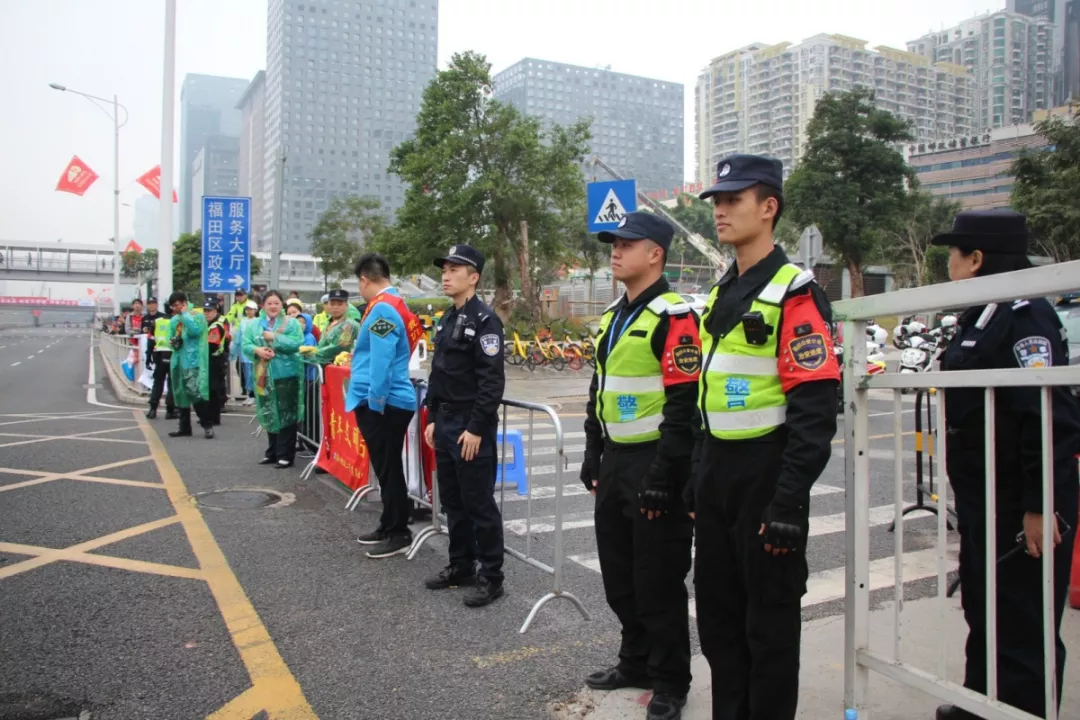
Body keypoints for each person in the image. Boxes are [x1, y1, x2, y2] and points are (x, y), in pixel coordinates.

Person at [687, 154, 840, 720]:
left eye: (734, 200)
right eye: (718, 201)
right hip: (718, 473)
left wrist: (789, 500)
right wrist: (697, 473)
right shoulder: (721, 291)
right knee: (719, 621)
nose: (721, 211)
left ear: (769, 207)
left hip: (766, 473)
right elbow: (706, 392)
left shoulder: (793, 292)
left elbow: (815, 411)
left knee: (768, 626)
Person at [931, 210, 1080, 720]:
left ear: (976, 259)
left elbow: (1047, 417)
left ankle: (1024, 711)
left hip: (1019, 500)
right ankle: (981, 703)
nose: (948, 263)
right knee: (984, 605)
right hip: (984, 498)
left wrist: (1041, 505)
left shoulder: (1025, 317)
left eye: (953, 254)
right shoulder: (985, 314)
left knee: (1023, 618)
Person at [580, 212, 701, 720]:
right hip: (615, 461)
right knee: (620, 576)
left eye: (627, 244)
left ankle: (670, 680)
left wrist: (664, 474)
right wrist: (592, 448)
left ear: (656, 254)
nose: (616, 250)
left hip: (654, 462)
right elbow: (600, 387)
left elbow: (684, 404)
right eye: (614, 243)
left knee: (658, 581)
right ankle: (635, 662)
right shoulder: (614, 316)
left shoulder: (674, 317)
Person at [422, 244, 507, 607]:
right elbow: (438, 372)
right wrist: (431, 417)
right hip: (445, 421)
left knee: (478, 503)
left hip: (470, 424)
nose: (446, 275)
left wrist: (475, 428)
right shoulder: (447, 318)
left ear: (473, 278)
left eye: (454, 270)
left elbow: (492, 381)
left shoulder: (485, 321)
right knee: (453, 500)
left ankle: (492, 576)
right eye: (444, 270)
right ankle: (461, 564)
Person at [347, 253, 424, 559]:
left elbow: (381, 361)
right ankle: (388, 523)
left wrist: (376, 403)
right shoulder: (393, 304)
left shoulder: (382, 309)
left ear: (364, 279)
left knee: (389, 468)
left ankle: (398, 531)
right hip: (386, 400)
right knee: (385, 467)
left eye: (359, 284)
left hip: (384, 401)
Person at [242, 290, 305, 468]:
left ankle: (285, 455)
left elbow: (296, 343)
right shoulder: (254, 324)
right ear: (263, 305)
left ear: (282, 305)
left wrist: (275, 337)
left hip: (286, 374)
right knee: (268, 411)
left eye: (276, 303)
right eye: (269, 303)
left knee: (287, 413)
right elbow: (246, 344)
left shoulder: (291, 323)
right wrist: (257, 350)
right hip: (263, 374)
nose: (273, 306)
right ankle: (272, 452)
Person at [165, 292, 215, 440]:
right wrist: (173, 342)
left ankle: (207, 424)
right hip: (179, 359)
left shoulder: (196, 316)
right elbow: (169, 337)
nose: (175, 308)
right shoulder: (174, 320)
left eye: (177, 305)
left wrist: (185, 315)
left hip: (193, 361)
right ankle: (184, 427)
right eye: (173, 306)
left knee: (195, 392)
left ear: (184, 303)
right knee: (180, 393)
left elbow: (195, 331)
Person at [300, 289, 360, 366]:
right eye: (332, 304)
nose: (335, 307)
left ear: (346, 306)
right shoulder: (329, 322)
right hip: (324, 365)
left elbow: (339, 347)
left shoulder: (349, 325)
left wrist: (314, 352)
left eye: (340, 304)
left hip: (339, 367)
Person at [144, 297, 177, 419]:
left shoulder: (156, 322)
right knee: (172, 384)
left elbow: (150, 342)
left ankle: (152, 409)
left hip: (159, 355)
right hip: (174, 355)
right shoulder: (178, 322)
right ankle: (170, 411)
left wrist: (148, 358)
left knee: (157, 382)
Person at [204, 300, 229, 427]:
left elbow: (211, 346)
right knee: (211, 389)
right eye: (205, 311)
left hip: (215, 360)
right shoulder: (209, 324)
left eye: (210, 311)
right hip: (212, 359)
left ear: (215, 311)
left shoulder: (216, 326)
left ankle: (213, 417)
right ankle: (210, 416)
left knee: (213, 390)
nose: (207, 313)